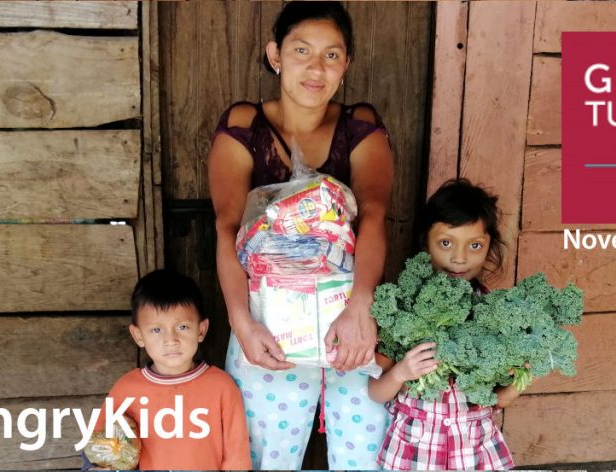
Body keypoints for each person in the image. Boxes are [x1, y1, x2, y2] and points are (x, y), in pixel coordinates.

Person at [207, 2, 394, 468]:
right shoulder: (245, 125)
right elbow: (227, 228)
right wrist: (242, 322)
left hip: (348, 318)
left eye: (332, 55)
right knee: (265, 454)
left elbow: (373, 215)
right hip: (270, 321)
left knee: (367, 450)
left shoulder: (359, 126)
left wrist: (360, 307)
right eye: (301, 50)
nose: (316, 67)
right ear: (275, 54)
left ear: (346, 63)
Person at [369, 178, 518, 470]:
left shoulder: (496, 314)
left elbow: (497, 401)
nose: (460, 258)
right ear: (426, 242)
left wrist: (525, 376)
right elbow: (376, 392)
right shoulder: (401, 311)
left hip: (474, 452)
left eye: (475, 245)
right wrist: (401, 372)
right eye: (446, 243)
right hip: (415, 454)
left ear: (490, 248)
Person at [82, 269, 251, 470]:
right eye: (156, 330)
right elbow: (100, 448)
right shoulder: (126, 389)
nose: (170, 340)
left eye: (182, 327)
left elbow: (236, 456)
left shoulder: (222, 386)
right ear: (138, 336)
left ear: (201, 330)